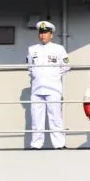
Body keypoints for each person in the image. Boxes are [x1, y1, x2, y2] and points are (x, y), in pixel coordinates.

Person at [27, 20, 70, 149]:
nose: (42, 35)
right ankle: (36, 144)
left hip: (53, 88)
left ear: (51, 34)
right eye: (41, 32)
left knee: (55, 117)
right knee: (36, 118)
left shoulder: (58, 49)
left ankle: (59, 144)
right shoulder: (32, 49)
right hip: (37, 89)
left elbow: (66, 66)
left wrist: (54, 75)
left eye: (45, 33)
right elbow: (29, 67)